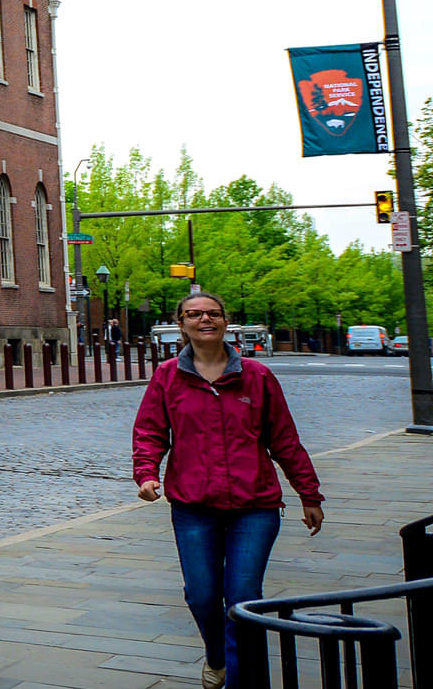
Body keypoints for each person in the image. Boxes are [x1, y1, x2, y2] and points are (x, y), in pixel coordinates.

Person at [132, 292, 323, 689]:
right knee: (201, 595)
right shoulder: (168, 376)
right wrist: (146, 472)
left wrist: (309, 494)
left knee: (242, 599)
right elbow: (150, 432)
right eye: (195, 314)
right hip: (193, 505)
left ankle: (240, 680)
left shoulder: (257, 376)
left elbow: (285, 440)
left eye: (213, 314)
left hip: (254, 507)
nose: (205, 319)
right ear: (181, 324)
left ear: (225, 322)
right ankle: (217, 656)